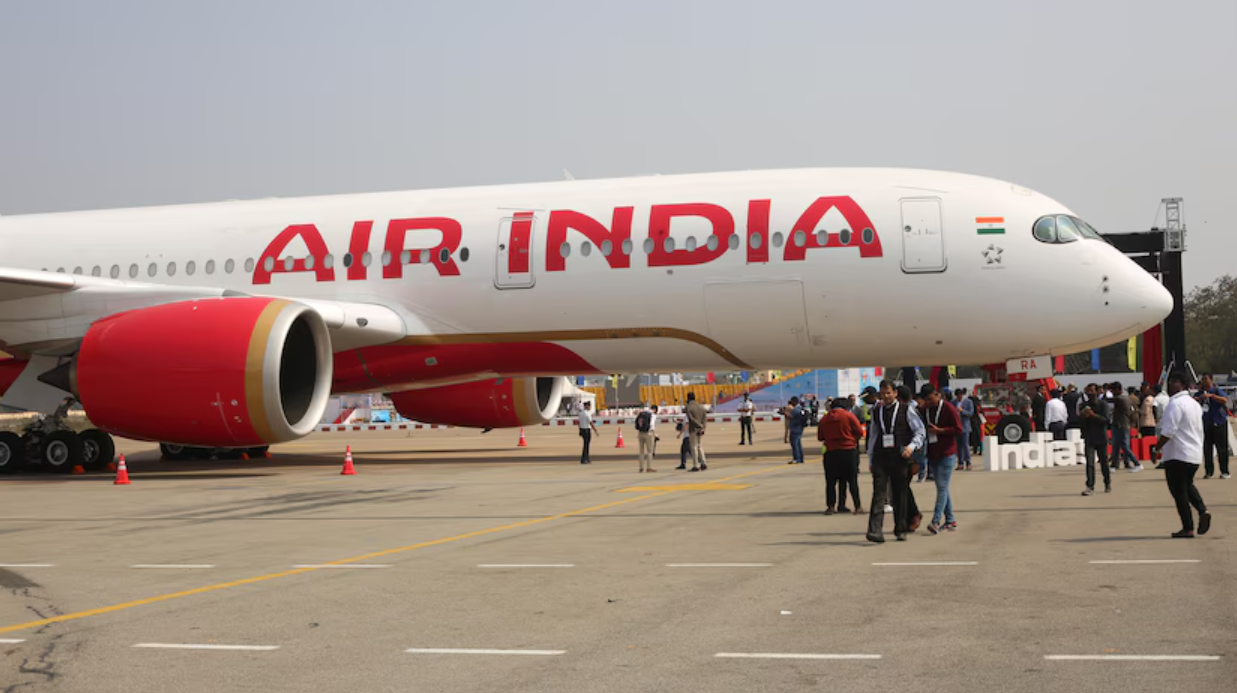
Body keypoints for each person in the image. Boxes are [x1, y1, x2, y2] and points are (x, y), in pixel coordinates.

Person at [866, 382, 926, 543]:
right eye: (883, 393)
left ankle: (901, 528)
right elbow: (873, 435)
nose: (885, 396)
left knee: (899, 493)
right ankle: (874, 530)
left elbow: (920, 431)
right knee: (879, 493)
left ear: (895, 393)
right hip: (881, 456)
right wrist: (871, 458)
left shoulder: (906, 410)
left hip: (900, 456)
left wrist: (911, 447)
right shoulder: (876, 411)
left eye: (888, 393)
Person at [1156, 371, 1211, 538]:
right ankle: (1202, 510)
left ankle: (1188, 528)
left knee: (1179, 492)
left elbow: (1168, 432)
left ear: (1182, 384)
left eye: (1174, 382)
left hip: (1177, 454)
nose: (1170, 385)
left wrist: (1156, 448)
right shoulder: (1193, 403)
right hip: (1193, 454)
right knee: (1187, 485)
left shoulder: (1175, 404)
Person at [923, 385, 961, 533]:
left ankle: (936, 520)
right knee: (942, 488)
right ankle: (950, 520)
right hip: (933, 453)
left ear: (938, 395)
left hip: (947, 453)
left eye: (930, 399)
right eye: (926, 400)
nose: (928, 402)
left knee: (942, 487)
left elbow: (958, 429)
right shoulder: (925, 409)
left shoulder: (949, 408)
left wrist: (941, 431)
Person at [818, 398, 864, 515]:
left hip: (831, 452)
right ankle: (857, 506)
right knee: (851, 480)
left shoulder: (824, 418)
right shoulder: (848, 416)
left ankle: (831, 506)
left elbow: (820, 437)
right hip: (848, 451)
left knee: (831, 481)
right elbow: (859, 432)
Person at [1195, 374, 1231, 479]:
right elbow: (1194, 400)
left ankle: (1225, 471)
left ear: (1210, 379)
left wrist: (1211, 396)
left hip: (1219, 422)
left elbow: (1225, 400)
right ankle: (1209, 471)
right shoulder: (1201, 392)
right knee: (1207, 449)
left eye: (1205, 379)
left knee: (1222, 448)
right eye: (1202, 379)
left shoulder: (1216, 390)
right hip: (1206, 423)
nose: (1204, 381)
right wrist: (1198, 398)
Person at [1080, 384, 1111, 495]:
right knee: (1090, 463)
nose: (1090, 394)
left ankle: (1107, 483)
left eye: (1092, 391)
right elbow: (1080, 422)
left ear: (1097, 392)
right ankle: (1090, 486)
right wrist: (1083, 417)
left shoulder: (1103, 405)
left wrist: (1093, 415)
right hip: (1089, 437)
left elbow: (1106, 420)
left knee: (1104, 462)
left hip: (1101, 437)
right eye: (1088, 392)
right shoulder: (1084, 405)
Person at [1109, 382, 1141, 472]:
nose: (1112, 392)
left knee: (1124, 446)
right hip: (1121, 424)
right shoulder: (1126, 398)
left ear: (1118, 390)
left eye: (1112, 390)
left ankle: (1137, 463)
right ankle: (1114, 465)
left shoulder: (1120, 398)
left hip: (1121, 425)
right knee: (1116, 446)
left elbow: (1108, 400)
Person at [685, 392, 708, 472]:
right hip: (700, 429)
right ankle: (703, 463)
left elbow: (691, 419)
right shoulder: (701, 406)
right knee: (699, 446)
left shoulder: (689, 407)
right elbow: (705, 418)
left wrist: (699, 425)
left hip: (693, 429)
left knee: (693, 447)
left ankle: (696, 465)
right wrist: (703, 427)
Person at [635, 401, 657, 473]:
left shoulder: (643, 413)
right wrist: (654, 433)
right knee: (649, 451)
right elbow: (652, 425)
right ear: (655, 410)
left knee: (641, 451)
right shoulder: (652, 415)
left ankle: (641, 467)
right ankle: (649, 467)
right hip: (648, 433)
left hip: (640, 433)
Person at [913, 391, 930, 482]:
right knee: (917, 457)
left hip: (925, 436)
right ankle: (920, 473)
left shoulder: (926, 409)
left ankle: (922, 474)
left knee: (923, 457)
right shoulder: (915, 410)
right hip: (916, 437)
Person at [956, 389, 974, 470]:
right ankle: (960, 463)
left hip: (965, 427)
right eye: (957, 396)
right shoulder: (953, 402)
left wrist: (962, 411)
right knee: (959, 446)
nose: (958, 397)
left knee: (966, 446)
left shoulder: (968, 402)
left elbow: (971, 413)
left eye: (960, 396)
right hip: (957, 427)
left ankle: (968, 463)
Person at [786, 396, 808, 464]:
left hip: (795, 428)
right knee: (798, 444)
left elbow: (791, 416)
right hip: (800, 428)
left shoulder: (795, 410)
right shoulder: (801, 408)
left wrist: (785, 414)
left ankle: (796, 458)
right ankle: (800, 458)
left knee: (794, 444)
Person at [1139, 383, 1158, 455]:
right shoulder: (1153, 399)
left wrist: (1139, 411)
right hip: (1152, 422)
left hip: (1146, 422)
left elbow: (1145, 412)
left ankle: (1148, 453)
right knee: (1152, 440)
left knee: (1146, 439)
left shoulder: (1147, 400)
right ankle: (1152, 453)